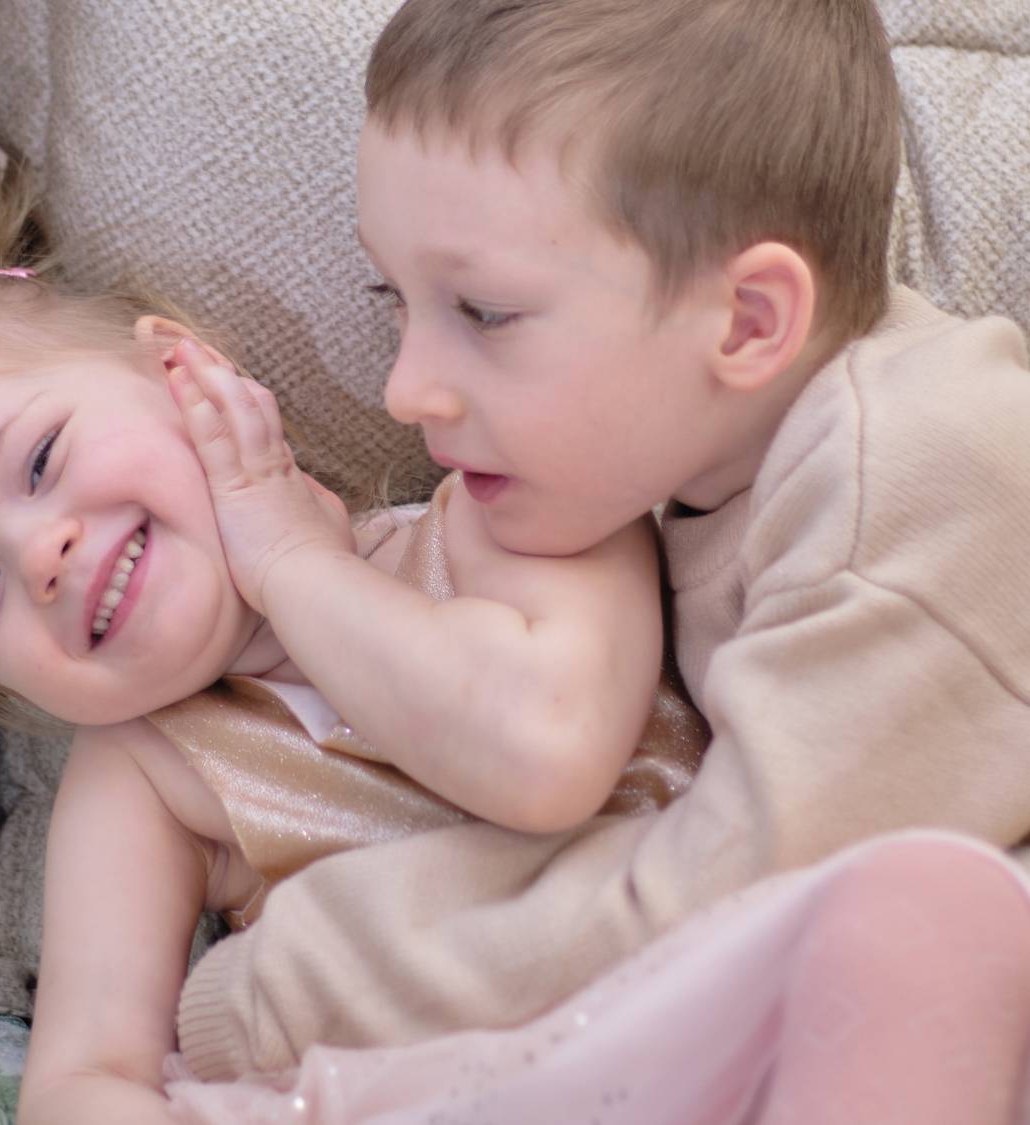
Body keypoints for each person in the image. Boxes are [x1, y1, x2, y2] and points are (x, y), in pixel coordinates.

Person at [166, 0, 1030, 1109]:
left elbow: (709, 917)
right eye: (398, 301)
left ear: (748, 322)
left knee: (899, 935)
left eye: (485, 312)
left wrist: (271, 993)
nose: (405, 390)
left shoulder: (913, 476)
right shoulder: (706, 473)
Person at [0, 176, 706, 1124]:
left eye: (42, 459)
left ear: (189, 376)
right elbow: (82, 1079)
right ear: (0, 686)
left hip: (703, 1004)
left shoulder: (506, 515)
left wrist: (290, 562)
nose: (38, 556)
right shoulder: (145, 778)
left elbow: (543, 757)